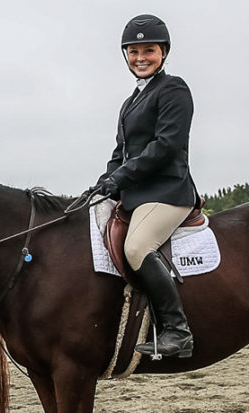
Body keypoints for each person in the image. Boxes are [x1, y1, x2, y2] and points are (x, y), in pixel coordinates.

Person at [90, 14, 197, 358]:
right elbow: (120, 152)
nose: (140, 57)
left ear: (162, 52)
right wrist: (102, 184)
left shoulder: (174, 89)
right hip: (137, 194)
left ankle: (177, 331)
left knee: (137, 247)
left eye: (148, 50)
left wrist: (119, 179)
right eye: (133, 51)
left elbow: (164, 146)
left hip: (168, 192)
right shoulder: (129, 101)